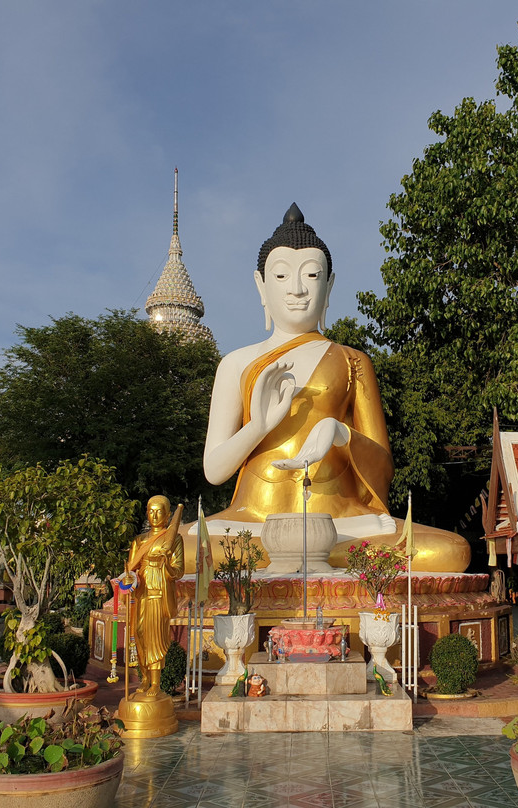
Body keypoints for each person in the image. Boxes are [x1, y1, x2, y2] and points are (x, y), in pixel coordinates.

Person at [201, 204, 469, 573]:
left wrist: (340, 432)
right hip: (255, 522)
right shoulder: (236, 363)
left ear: (329, 286)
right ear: (261, 285)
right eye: (281, 276)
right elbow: (214, 470)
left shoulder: (352, 361)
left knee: (450, 551)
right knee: (166, 552)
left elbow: (382, 464)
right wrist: (258, 426)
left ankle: (298, 560)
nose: (297, 289)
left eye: (311, 275)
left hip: (340, 523)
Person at [126, 494, 184, 698]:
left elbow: (178, 571)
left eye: (159, 511)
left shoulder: (174, 538)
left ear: (168, 515)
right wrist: (128, 581)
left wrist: (165, 562)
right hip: (141, 594)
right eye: (151, 511)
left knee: (156, 639)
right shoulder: (139, 540)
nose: (154, 515)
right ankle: (143, 678)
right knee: (140, 636)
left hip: (159, 596)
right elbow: (130, 569)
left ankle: (156, 683)